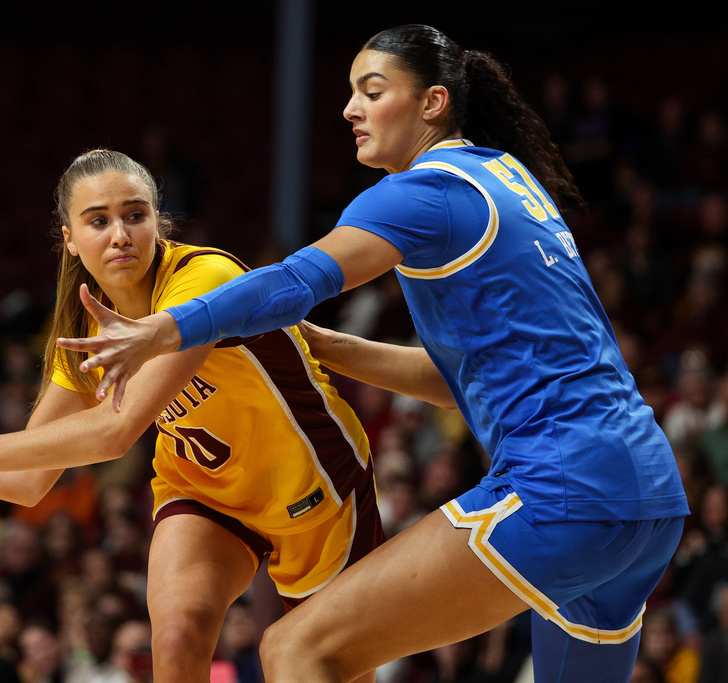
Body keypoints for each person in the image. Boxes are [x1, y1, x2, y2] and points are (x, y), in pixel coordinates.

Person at [54, 24, 690, 683]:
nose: (350, 109)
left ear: (433, 103)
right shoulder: (507, 176)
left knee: (295, 648)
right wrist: (325, 349)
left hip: (563, 484)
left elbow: (296, 281)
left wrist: (162, 330)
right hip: (648, 491)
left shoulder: (423, 191)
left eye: (372, 90)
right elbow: (457, 381)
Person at [0, 149, 383, 682]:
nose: (120, 234)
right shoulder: (87, 329)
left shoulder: (202, 280)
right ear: (69, 239)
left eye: (134, 215)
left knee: (323, 665)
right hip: (205, 488)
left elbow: (116, 431)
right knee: (179, 637)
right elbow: (30, 479)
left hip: (313, 480)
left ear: (158, 219)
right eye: (99, 220)